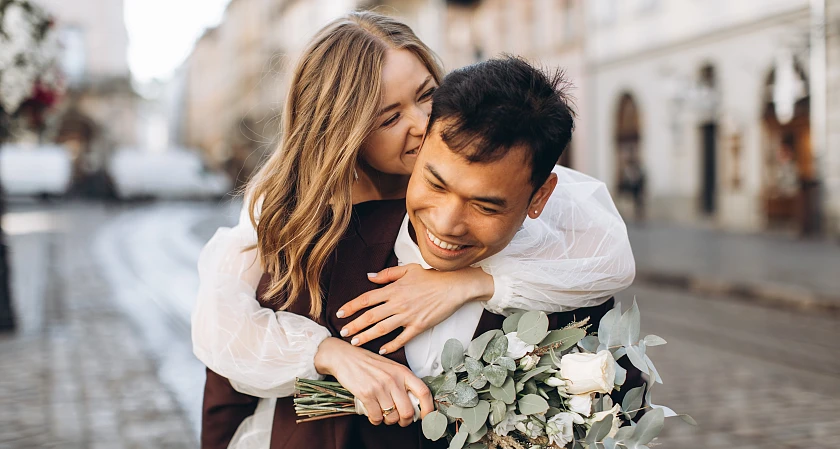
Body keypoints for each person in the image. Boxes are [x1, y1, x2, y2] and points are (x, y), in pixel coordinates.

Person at [192, 11, 635, 449]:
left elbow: (608, 256)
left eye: (426, 95)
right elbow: (222, 325)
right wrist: (327, 353)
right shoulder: (301, 224)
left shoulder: (486, 164)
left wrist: (471, 284)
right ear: (345, 135)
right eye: (389, 118)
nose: (423, 125)